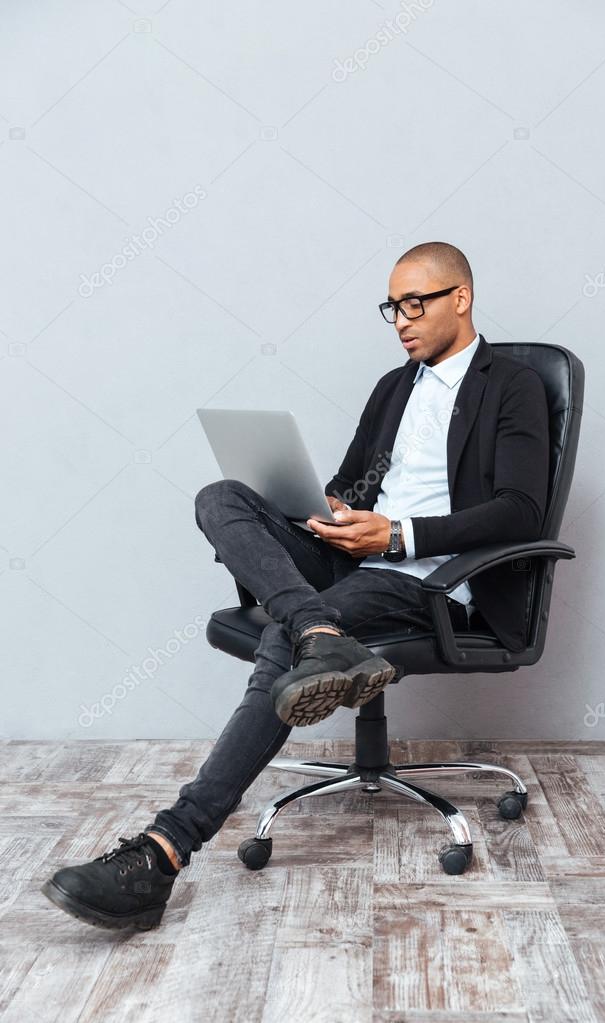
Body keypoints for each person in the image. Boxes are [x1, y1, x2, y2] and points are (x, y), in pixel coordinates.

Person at [41, 241, 549, 930]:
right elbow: (354, 484)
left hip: (429, 581)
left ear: (460, 297)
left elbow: (522, 509)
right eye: (391, 307)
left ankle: (163, 852)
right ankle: (320, 633)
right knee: (221, 496)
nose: (400, 319)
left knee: (285, 636)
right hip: (356, 562)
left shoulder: (511, 383)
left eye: (414, 303)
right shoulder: (395, 385)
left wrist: (397, 536)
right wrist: (333, 510)